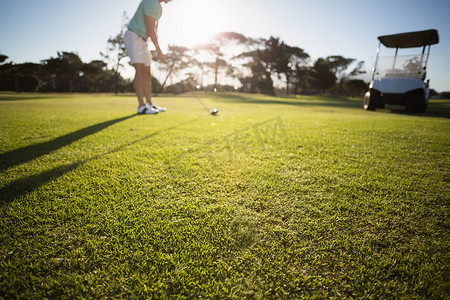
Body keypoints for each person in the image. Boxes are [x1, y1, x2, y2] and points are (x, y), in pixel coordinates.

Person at [124, 0, 172, 114]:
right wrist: (159, 51)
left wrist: (157, 47)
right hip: (134, 36)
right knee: (140, 71)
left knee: (147, 72)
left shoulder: (159, 8)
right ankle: (141, 106)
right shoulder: (150, 2)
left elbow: (155, 30)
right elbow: (151, 29)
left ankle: (149, 104)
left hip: (143, 41)